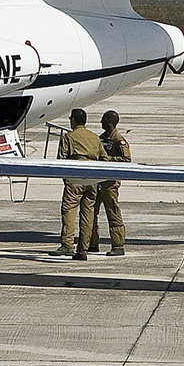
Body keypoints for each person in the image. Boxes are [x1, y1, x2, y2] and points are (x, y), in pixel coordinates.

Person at [55, 108, 107, 260]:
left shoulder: (69, 137)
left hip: (75, 175)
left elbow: (61, 159)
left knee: (69, 210)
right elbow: (104, 158)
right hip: (92, 177)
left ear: (73, 120)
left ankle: (67, 244)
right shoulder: (95, 138)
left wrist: (66, 178)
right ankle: (83, 249)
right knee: (88, 213)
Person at [90, 110, 131, 256]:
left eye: (103, 119)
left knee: (113, 212)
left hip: (110, 184)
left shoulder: (118, 140)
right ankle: (92, 243)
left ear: (109, 121)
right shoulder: (100, 139)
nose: (100, 122)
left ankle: (118, 245)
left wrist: (109, 160)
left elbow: (126, 160)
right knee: (91, 212)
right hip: (97, 181)